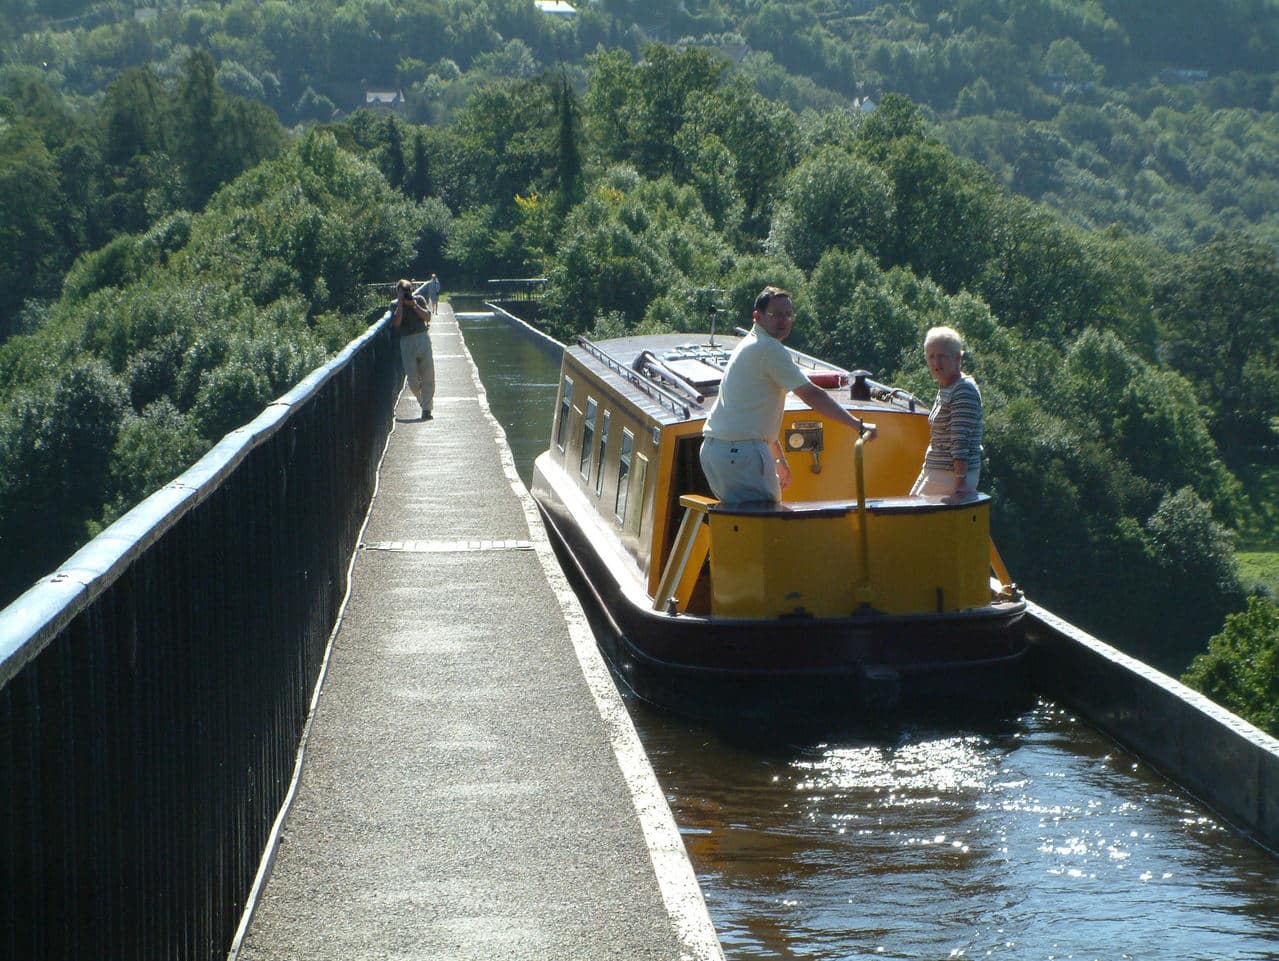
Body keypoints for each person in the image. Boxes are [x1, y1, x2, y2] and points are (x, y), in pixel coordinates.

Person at [700, 286, 876, 505]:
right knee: (765, 528)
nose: (783, 320)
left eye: (788, 314)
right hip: (741, 453)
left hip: (717, 451)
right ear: (758, 317)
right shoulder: (769, 349)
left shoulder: (749, 344)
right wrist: (856, 425)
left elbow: (754, 417)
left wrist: (779, 460)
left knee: (747, 526)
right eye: (776, 315)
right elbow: (811, 394)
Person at [910, 326, 982, 498]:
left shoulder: (963, 390)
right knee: (908, 508)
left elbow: (960, 441)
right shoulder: (947, 386)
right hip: (936, 469)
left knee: (913, 518)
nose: (936, 363)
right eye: (931, 356)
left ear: (957, 358)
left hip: (950, 475)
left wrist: (960, 483)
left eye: (942, 356)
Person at [392, 278, 434, 420]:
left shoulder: (419, 299)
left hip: (422, 338)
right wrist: (401, 304)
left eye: (407, 291)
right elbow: (397, 323)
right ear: (398, 292)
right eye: (403, 292)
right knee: (413, 380)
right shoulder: (394, 305)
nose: (406, 294)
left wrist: (414, 305)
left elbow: (428, 317)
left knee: (428, 375)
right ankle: (423, 402)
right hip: (407, 341)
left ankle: (427, 410)